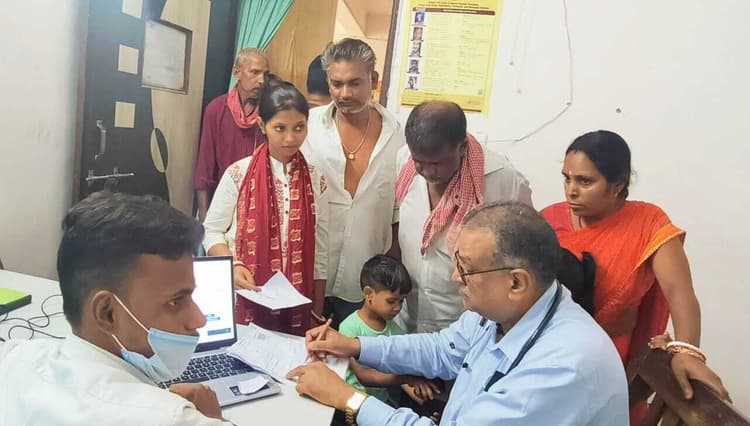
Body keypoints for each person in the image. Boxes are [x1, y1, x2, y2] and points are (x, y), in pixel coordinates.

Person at [288, 202, 629, 425]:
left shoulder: (564, 365)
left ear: (515, 282)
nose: (455, 278)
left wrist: (347, 398)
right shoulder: (507, 310)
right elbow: (443, 349)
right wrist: (353, 345)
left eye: (465, 269)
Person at [0, 192, 231, 425]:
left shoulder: (17, 358)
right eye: (176, 302)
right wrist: (213, 418)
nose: (199, 319)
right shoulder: (173, 418)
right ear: (107, 313)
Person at [540, 130, 729, 407]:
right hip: (545, 353)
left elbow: (679, 292)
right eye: (567, 178)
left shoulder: (647, 223)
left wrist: (687, 351)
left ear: (618, 184)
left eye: (585, 181)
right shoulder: (548, 220)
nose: (571, 190)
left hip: (608, 358)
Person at [391, 101, 532, 333]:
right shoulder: (404, 158)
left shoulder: (504, 179)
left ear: (462, 147)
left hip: (464, 322)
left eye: (437, 163)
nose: (428, 172)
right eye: (420, 163)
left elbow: (523, 251)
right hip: (408, 313)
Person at [203, 81, 329, 324]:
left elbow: (321, 250)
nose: (290, 138)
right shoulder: (238, 173)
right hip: (244, 292)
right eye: (280, 128)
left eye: (299, 127)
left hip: (298, 300)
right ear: (262, 125)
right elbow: (211, 230)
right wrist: (233, 265)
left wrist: (316, 310)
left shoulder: (316, 180)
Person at [301, 38, 405, 329]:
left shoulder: (398, 137)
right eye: (337, 84)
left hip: (365, 285)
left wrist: (389, 278)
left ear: (374, 80)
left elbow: (398, 213)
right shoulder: (307, 127)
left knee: (353, 356)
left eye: (355, 83)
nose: (345, 94)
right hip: (309, 273)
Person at [339, 255, 438, 408]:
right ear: (369, 294)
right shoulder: (349, 328)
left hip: (380, 405)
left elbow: (400, 373)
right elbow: (365, 376)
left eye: (401, 301)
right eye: (391, 301)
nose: (398, 308)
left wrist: (424, 399)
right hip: (350, 406)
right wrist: (409, 379)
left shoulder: (396, 332)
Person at [194, 48, 270, 223]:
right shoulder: (216, 109)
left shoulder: (270, 111)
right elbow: (204, 167)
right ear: (237, 72)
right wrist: (205, 216)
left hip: (260, 205)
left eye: (265, 74)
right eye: (255, 72)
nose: (261, 81)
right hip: (223, 203)